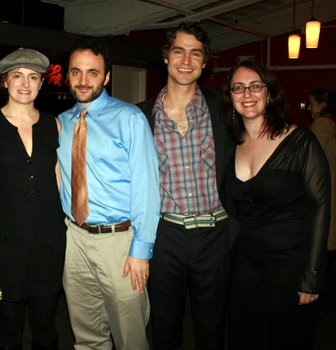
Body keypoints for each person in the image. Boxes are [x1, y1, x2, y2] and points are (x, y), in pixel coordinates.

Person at [137, 22, 236, 350]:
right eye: (179, 51)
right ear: (166, 56)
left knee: (213, 328)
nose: (186, 60)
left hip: (215, 236)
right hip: (165, 237)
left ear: (204, 62)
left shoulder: (223, 110)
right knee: (165, 327)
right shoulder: (141, 116)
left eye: (196, 53)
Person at [57, 37, 160, 350]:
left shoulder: (129, 119)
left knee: (130, 337)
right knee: (86, 335)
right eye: (76, 72)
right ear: (67, 76)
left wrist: (141, 250)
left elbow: (148, 186)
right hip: (74, 239)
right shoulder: (61, 123)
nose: (84, 80)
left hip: (119, 243)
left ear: (107, 77)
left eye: (92, 72)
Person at [223, 59, 330, 349]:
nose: (247, 94)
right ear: (231, 97)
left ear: (269, 94)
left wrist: (312, 275)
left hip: (290, 265)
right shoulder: (232, 143)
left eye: (256, 86)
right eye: (239, 88)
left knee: (286, 339)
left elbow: (321, 206)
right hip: (245, 264)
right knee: (246, 337)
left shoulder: (299, 141)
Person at [0, 48, 65, 350]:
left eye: (33, 77)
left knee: (46, 330)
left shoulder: (55, 125)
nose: (25, 83)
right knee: (8, 330)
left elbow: (61, 186)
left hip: (49, 244)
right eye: (17, 76)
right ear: (5, 82)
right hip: (6, 246)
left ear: (41, 84)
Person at [308, 88, 336, 262]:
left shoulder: (322, 124)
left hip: (325, 183)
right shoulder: (329, 123)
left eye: (312, 104)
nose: (309, 108)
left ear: (322, 105)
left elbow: (309, 156)